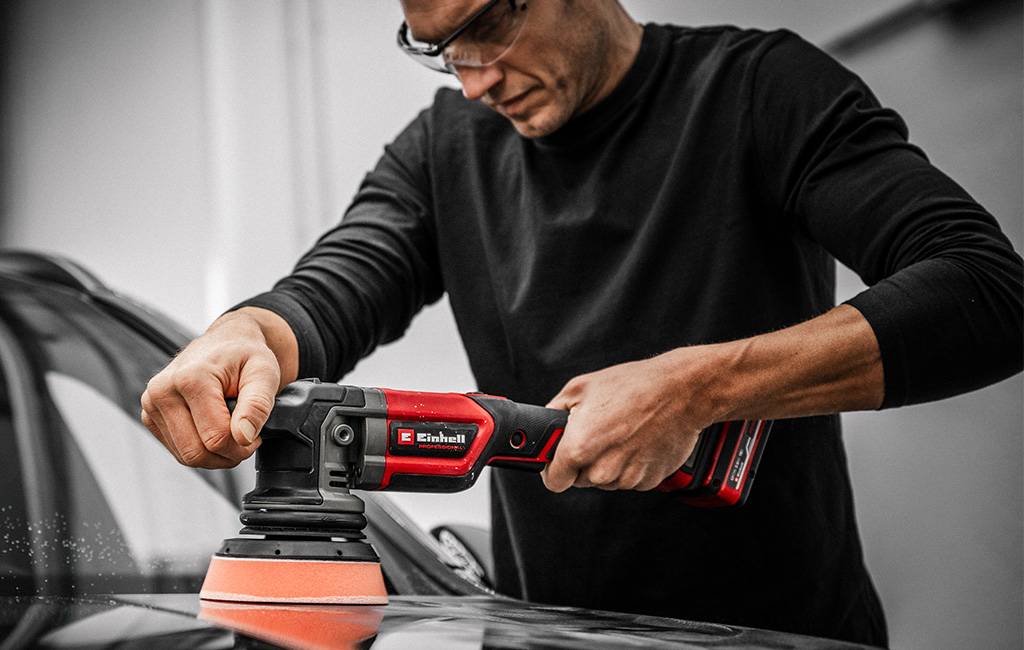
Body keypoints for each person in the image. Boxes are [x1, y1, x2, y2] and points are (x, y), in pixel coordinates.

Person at [141, 0, 1023, 646]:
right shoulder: (442, 149)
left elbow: (987, 291)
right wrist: (247, 332)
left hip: (779, 635)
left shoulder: (761, 90)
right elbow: (342, 280)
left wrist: (697, 388)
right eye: (438, 47)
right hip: (542, 636)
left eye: (488, 25)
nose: (475, 80)